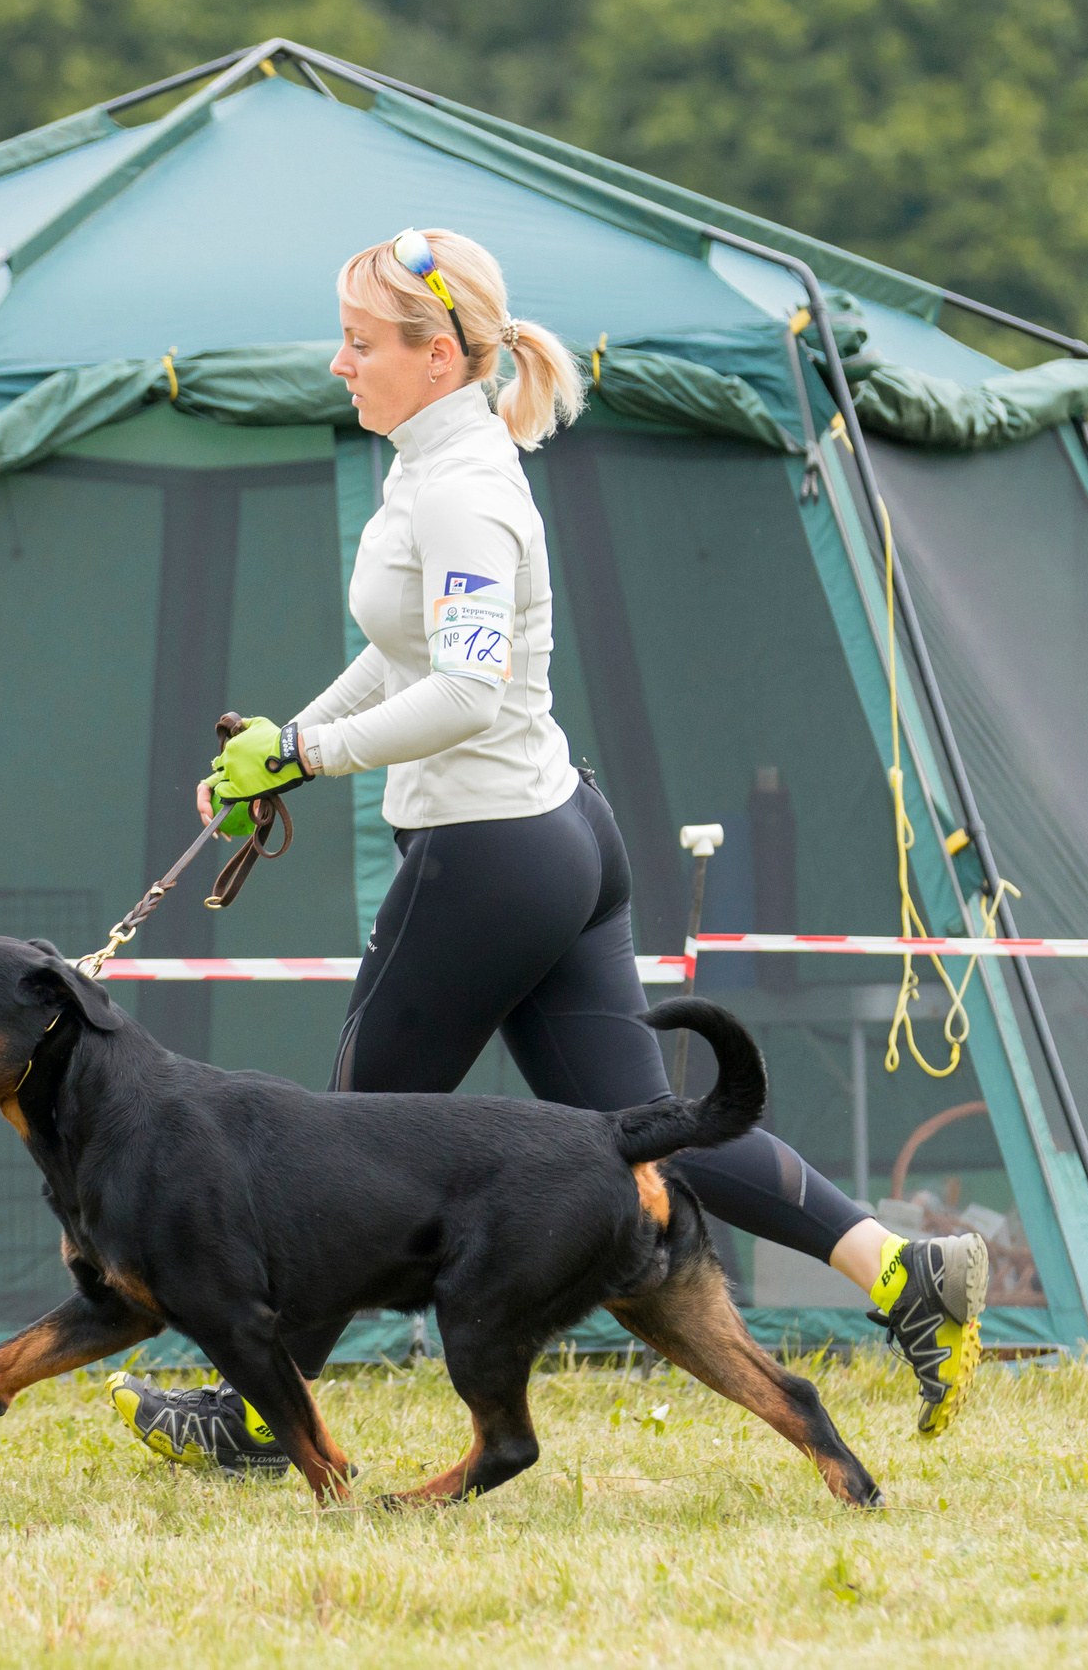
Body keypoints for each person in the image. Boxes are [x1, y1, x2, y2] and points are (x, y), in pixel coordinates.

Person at [108, 229, 989, 1474]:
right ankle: (899, 1268)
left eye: (359, 344)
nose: (337, 364)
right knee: (644, 1123)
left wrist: (309, 754)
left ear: (436, 355)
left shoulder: (460, 487)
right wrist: (288, 742)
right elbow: (407, 656)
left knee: (334, 1148)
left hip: (490, 856)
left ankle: (258, 1414)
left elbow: (464, 693)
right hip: (550, 837)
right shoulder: (435, 462)